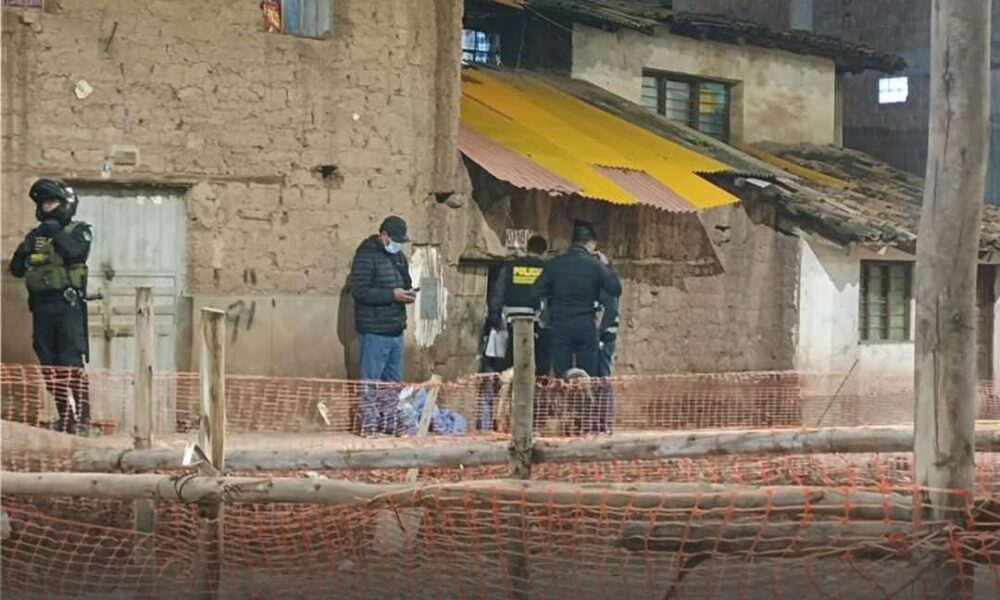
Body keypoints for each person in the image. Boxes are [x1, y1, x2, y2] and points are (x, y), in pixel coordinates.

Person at [9, 178, 93, 436]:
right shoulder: (35, 236)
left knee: (70, 363)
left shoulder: (78, 231)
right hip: (42, 308)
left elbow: (75, 254)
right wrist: (24, 251)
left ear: (65, 204)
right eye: (44, 203)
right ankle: (65, 417)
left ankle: (83, 419)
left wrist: (56, 232)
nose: (47, 206)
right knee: (49, 365)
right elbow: (16, 270)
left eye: (52, 201)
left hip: (67, 307)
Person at [349, 215, 416, 436]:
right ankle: (367, 424)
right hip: (374, 330)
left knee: (393, 384)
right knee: (370, 381)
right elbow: (360, 291)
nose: (397, 245)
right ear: (383, 234)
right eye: (394, 240)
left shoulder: (399, 257)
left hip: (396, 328)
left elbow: (406, 282)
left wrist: (407, 293)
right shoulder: (366, 255)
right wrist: (391, 295)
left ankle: (389, 423)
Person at [476, 234, 550, 431]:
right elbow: (549, 300)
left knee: (504, 375)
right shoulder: (547, 269)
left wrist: (494, 320)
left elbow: (497, 294)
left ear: (527, 248)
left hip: (507, 327)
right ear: (545, 251)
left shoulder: (511, 266)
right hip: (537, 330)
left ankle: (496, 420)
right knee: (536, 376)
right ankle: (532, 421)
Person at [537, 221, 621, 379]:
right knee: (588, 376)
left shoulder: (554, 264)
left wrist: (549, 306)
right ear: (591, 244)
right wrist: (607, 266)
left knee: (561, 375)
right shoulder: (596, 266)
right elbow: (615, 289)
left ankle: (563, 394)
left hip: (560, 324)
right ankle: (584, 395)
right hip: (585, 326)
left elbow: (536, 291)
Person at [595, 289, 620, 434]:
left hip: (605, 339)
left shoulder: (607, 288)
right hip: (601, 338)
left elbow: (610, 312)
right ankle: (600, 421)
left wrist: (598, 333)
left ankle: (605, 421)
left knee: (603, 378)